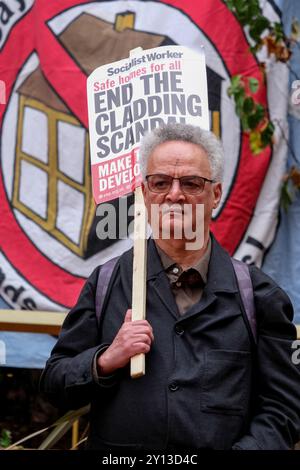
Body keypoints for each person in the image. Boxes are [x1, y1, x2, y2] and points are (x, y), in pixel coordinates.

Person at [41, 123, 300, 450]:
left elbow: (283, 409)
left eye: (191, 183)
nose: (174, 194)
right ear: (145, 194)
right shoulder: (107, 283)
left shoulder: (259, 298)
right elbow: (54, 384)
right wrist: (105, 360)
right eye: (160, 182)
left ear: (215, 195)